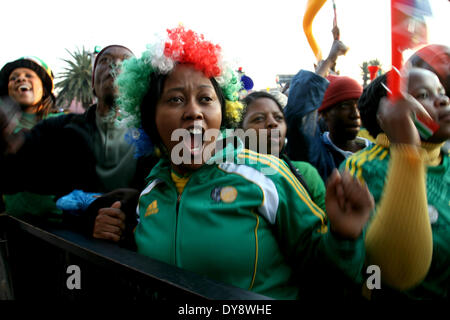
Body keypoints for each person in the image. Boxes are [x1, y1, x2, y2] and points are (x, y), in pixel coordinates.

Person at [115, 26, 374, 299]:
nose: (194, 112)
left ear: (223, 111)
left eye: (205, 99)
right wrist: (113, 233)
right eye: (176, 99)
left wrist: (344, 238)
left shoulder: (266, 175)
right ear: (150, 118)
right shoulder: (151, 190)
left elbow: (326, 272)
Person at [0, 45, 158, 244]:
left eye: (125, 62)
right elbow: (13, 175)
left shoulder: (156, 135)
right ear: (93, 82)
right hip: (74, 257)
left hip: (139, 261)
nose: (115, 66)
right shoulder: (59, 130)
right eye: (105, 61)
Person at [342, 68, 449, 299]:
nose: (443, 99)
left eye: (441, 91)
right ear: (388, 113)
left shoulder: (446, 161)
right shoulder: (364, 169)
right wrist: (408, 150)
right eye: (423, 96)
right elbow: (377, 270)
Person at [284, 29, 371, 182]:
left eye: (358, 105)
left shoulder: (379, 152)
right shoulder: (318, 154)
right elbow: (299, 113)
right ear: (322, 114)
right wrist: (330, 58)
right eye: (344, 106)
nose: (355, 113)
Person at [240, 91, 325, 211]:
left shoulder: (306, 174)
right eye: (259, 119)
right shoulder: (226, 178)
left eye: (279, 118)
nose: (273, 123)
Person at [0, 56, 64, 217]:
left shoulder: (61, 124)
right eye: (13, 78)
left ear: (44, 88)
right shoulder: (3, 128)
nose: (21, 78)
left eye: (29, 75)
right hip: (12, 224)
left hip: (59, 226)